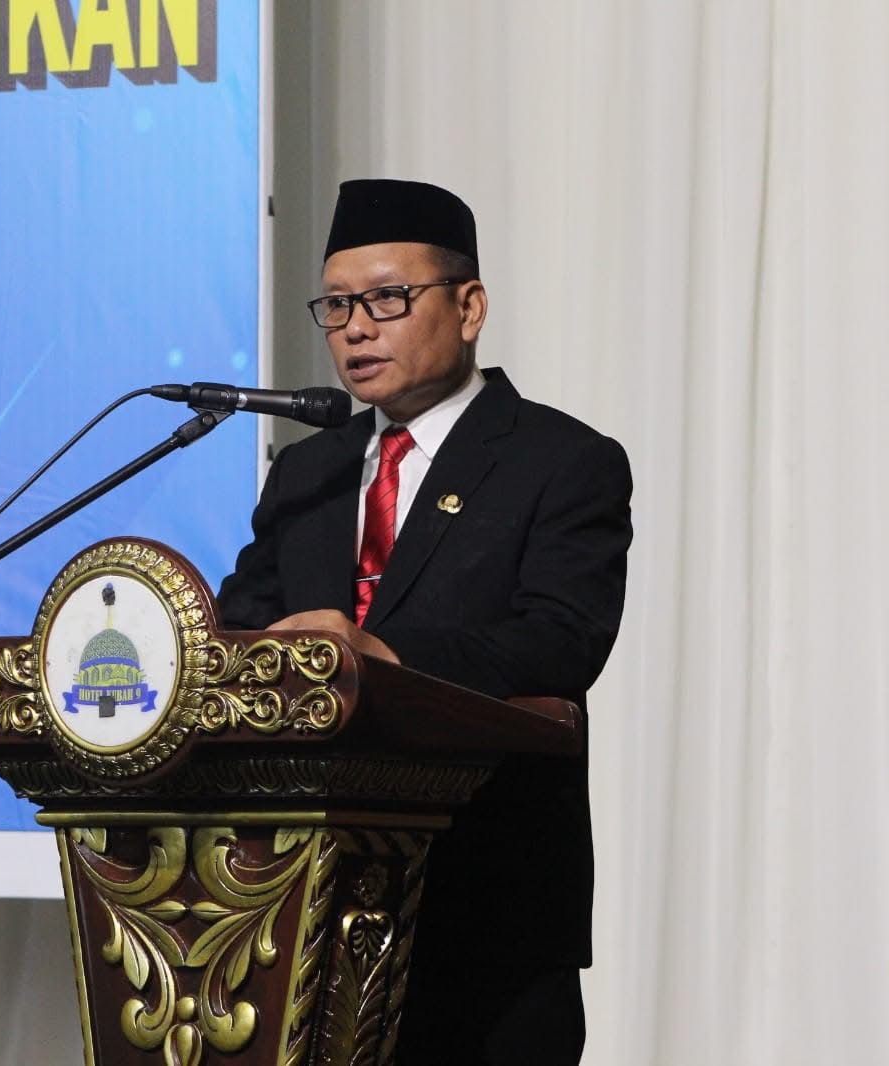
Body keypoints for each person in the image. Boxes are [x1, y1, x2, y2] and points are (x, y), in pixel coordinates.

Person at [215, 179, 633, 1065]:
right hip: (304, 903)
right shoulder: (310, 474)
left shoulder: (562, 461)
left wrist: (381, 652)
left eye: (388, 299)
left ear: (469, 306)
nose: (355, 329)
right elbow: (242, 631)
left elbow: (562, 640)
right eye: (336, 306)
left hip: (488, 906)